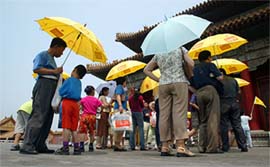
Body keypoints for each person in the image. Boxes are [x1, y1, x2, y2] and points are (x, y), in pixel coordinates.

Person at [144, 47, 195, 157]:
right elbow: (191, 63)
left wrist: (158, 79)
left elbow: (146, 70)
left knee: (164, 115)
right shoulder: (180, 49)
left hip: (163, 84)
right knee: (179, 113)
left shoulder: (159, 52)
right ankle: (181, 146)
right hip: (179, 81)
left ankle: (165, 146)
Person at [20, 37, 66, 154]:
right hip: (43, 85)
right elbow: (37, 69)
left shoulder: (52, 59)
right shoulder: (42, 55)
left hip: (52, 87)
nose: (61, 53)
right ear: (55, 47)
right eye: (61, 50)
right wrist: (54, 71)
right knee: (39, 114)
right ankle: (28, 145)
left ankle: (40, 144)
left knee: (48, 116)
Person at [190, 50, 224, 154]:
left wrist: (197, 92)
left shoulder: (194, 69)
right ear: (208, 58)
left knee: (203, 120)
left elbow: (190, 85)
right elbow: (220, 77)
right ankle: (212, 148)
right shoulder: (210, 65)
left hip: (199, 93)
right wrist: (217, 74)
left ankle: (201, 147)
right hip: (210, 90)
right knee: (212, 119)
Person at [55, 65, 87, 155]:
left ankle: (65, 148)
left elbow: (61, 91)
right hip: (76, 105)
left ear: (75, 70)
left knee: (66, 126)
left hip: (67, 103)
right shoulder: (79, 83)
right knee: (74, 128)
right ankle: (76, 148)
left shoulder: (69, 80)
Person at [219, 69, 248, 152]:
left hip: (224, 103)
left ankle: (225, 146)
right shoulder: (233, 80)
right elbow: (239, 91)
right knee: (237, 124)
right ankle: (243, 145)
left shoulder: (218, 81)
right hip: (234, 103)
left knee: (224, 125)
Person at [112, 77, 128, 151]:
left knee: (121, 127)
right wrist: (120, 105)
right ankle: (117, 144)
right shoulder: (119, 87)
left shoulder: (121, 88)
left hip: (120, 109)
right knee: (120, 127)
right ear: (123, 82)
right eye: (125, 82)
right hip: (119, 109)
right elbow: (118, 95)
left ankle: (117, 144)